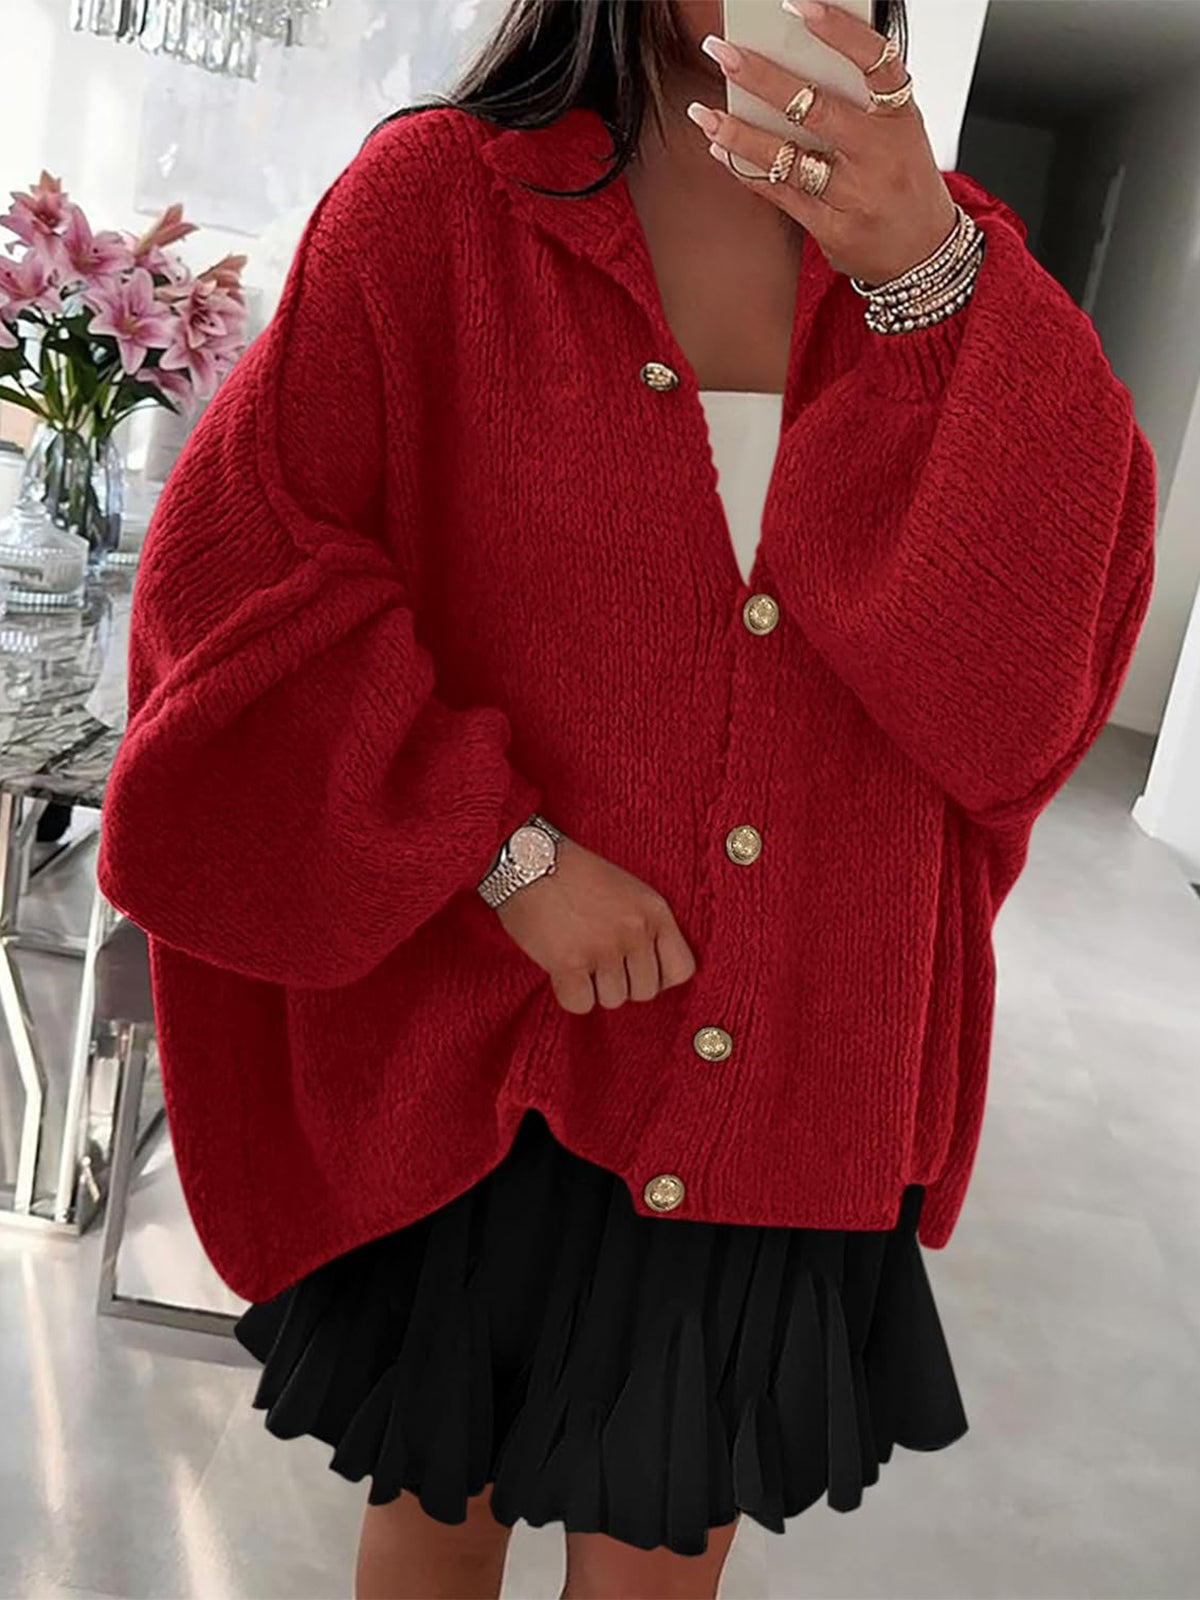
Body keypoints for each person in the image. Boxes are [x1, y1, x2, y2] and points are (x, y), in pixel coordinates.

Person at [96, 0, 1158, 1596]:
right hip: (503, 1060)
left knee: (661, 1565)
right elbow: (242, 575)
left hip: (785, 1063)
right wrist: (501, 851)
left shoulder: (955, 265)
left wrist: (931, 281)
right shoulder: (440, 207)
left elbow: (1023, 700)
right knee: (435, 1532)